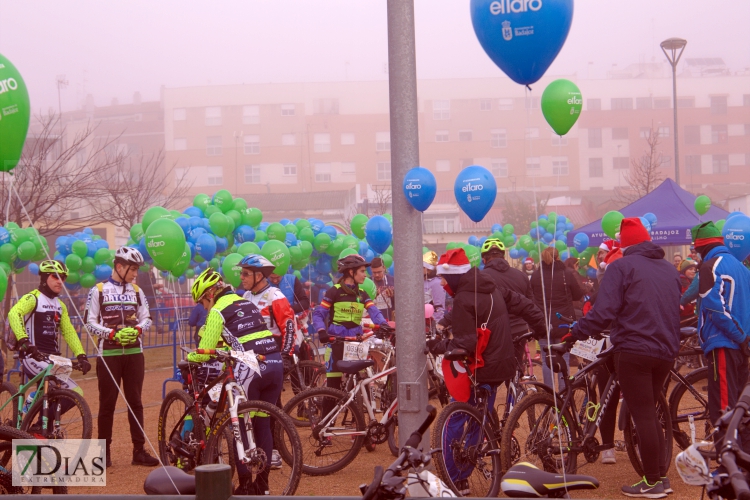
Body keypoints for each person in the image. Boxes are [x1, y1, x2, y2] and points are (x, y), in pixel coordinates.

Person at [568, 218, 680, 498]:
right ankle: (660, 478)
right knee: (650, 410)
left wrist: (577, 332)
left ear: (625, 245)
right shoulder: (669, 269)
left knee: (642, 412)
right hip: (666, 350)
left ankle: (653, 481)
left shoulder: (621, 267)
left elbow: (603, 311)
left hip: (634, 349)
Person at [425, 248, 546, 496]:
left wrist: (435, 346)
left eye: (445, 278)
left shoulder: (462, 299)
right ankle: (469, 467)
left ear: (456, 277)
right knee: (480, 413)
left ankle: (454, 477)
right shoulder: (490, 286)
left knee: (458, 416)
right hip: (504, 361)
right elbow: (525, 305)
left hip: (481, 365)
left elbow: (465, 343)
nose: (443, 283)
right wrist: (542, 329)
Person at [186, 268, 282, 495]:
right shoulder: (246, 302)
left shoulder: (217, 310)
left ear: (210, 293)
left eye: (202, 301)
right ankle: (263, 486)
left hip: (252, 366)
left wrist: (189, 355)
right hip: (274, 362)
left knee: (241, 425)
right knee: (262, 425)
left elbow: (204, 352)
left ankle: (247, 485)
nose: (203, 307)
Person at [84, 247, 157, 467]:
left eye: (136, 269)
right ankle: (103, 454)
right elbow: (90, 322)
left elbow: (147, 317)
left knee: (136, 402)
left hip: (135, 353)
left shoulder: (137, 291)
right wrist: (112, 333)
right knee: (107, 404)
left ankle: (139, 451)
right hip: (109, 354)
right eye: (132, 269)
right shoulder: (98, 290)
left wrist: (138, 330)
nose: (136, 274)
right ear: (119, 266)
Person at [691, 222, 750, 455]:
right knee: (740, 408)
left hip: (724, 344)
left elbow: (715, 308)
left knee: (723, 407)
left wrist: (738, 336)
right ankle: (742, 457)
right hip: (741, 346)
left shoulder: (709, 266)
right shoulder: (741, 266)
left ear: (701, 247)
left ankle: (727, 460)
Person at [8, 260, 91, 404]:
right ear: (45, 277)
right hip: (32, 356)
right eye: (55, 276)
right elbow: (14, 313)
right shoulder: (33, 298)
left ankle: (41, 425)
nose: (60, 281)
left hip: (53, 359)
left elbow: (69, 332)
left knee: (72, 394)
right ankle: (31, 403)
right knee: (54, 389)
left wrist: (82, 356)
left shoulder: (60, 306)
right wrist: (24, 341)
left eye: (63, 278)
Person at [312, 255, 392, 396]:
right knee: (333, 391)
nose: (365, 275)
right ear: (351, 272)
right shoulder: (334, 291)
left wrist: (384, 324)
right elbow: (319, 314)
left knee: (362, 390)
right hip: (336, 342)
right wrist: (321, 330)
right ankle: (329, 417)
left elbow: (374, 311)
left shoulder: (362, 294)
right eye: (362, 271)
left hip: (356, 344)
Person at [529, 247, 584, 390]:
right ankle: (563, 392)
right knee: (563, 357)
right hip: (562, 322)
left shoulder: (536, 275)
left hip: (542, 322)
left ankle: (548, 394)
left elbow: (531, 295)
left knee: (546, 359)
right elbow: (578, 295)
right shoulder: (566, 274)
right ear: (558, 257)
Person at [479, 238, 535, 368]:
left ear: (484, 260)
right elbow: (530, 304)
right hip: (519, 330)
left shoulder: (481, 277)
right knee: (516, 367)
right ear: (503, 257)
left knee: (492, 370)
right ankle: (517, 385)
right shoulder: (521, 275)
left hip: (494, 331)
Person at [423, 251, 445, 322]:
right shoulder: (422, 281)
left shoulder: (436, 283)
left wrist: (435, 325)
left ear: (428, 269)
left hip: (431, 324)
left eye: (422, 267)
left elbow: (439, 308)